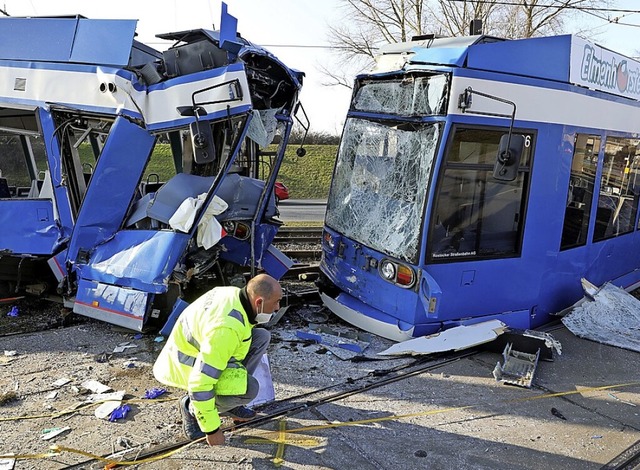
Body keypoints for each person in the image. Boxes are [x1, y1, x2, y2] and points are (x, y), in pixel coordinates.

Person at [153, 273, 282, 446]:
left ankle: (230, 402)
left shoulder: (234, 294)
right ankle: (190, 408)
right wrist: (212, 429)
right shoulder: (225, 329)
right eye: (276, 302)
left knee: (261, 337)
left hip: (203, 349)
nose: (277, 308)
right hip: (188, 364)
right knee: (250, 389)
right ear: (258, 302)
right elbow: (200, 383)